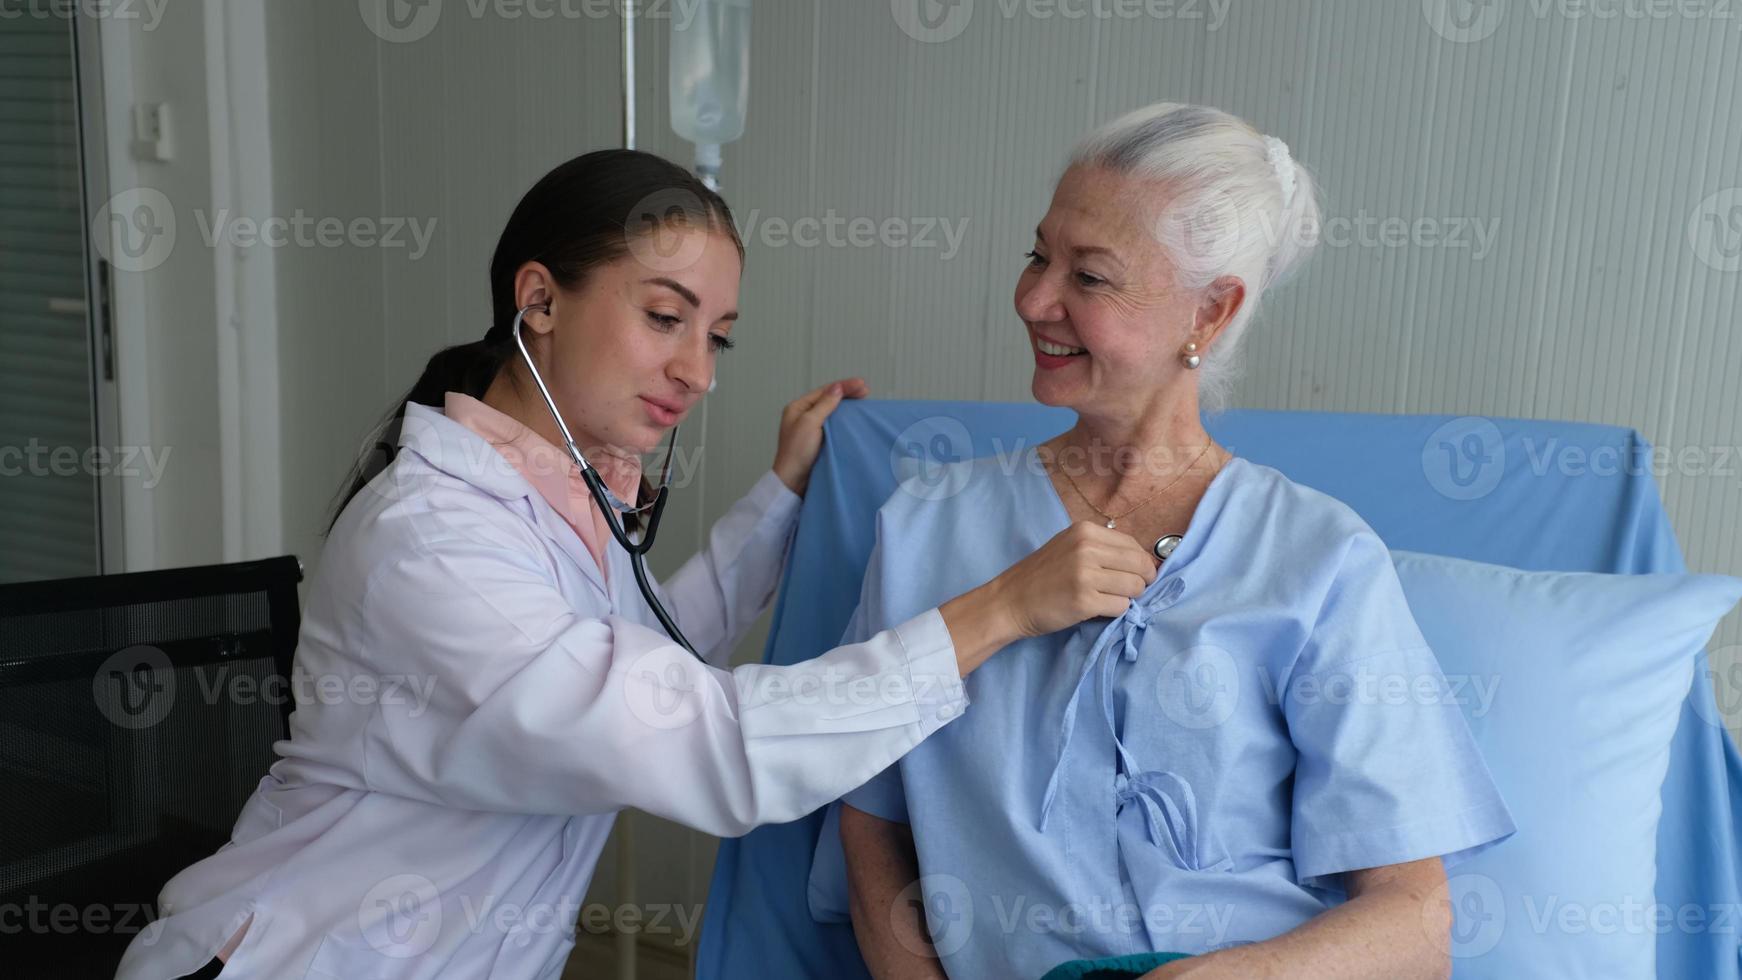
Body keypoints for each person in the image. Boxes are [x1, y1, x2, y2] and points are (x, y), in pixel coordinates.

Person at [115, 149, 1160, 979]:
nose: (695, 372)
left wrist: (784, 492)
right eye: (663, 316)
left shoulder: (557, 497)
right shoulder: (430, 542)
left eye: (718, 337)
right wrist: (999, 610)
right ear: (540, 299)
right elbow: (706, 743)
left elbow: (651, 650)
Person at [832, 104, 1517, 980]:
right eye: (1039, 254)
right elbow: (869, 818)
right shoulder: (929, 526)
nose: (1034, 299)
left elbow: (1416, 924)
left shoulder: (1319, 558)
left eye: (1091, 277)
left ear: (1211, 311)